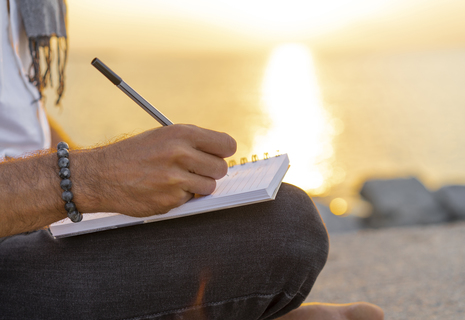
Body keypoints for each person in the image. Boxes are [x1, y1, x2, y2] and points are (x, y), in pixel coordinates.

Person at [0, 1, 384, 319]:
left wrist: (109, 196)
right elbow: (77, 175)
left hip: (38, 220)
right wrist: (90, 177)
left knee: (263, 219)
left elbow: (19, 123)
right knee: (286, 225)